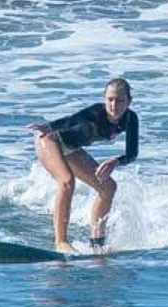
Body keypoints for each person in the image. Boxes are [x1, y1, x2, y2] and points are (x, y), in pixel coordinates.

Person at [28, 77, 139, 254]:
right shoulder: (96, 112)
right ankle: (61, 242)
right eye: (110, 99)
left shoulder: (130, 119)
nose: (114, 105)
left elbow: (132, 153)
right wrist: (48, 127)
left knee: (108, 187)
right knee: (66, 182)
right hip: (51, 139)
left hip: (72, 148)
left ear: (129, 102)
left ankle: (97, 243)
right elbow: (71, 120)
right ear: (104, 99)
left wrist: (115, 161)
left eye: (120, 101)